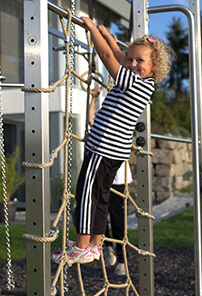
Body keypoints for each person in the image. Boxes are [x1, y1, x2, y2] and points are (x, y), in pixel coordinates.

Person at [52, 17, 174, 266]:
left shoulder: (133, 83)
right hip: (113, 151)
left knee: (87, 193)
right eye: (131, 60)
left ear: (154, 66)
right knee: (101, 195)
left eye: (140, 60)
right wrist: (107, 35)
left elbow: (109, 58)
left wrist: (91, 30)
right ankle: (95, 245)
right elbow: (118, 54)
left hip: (103, 148)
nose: (132, 63)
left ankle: (81, 246)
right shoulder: (142, 83)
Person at [89, 87, 133, 276]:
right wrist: (93, 100)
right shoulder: (101, 134)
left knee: (118, 223)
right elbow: (91, 121)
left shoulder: (123, 130)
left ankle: (122, 260)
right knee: (99, 219)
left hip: (119, 183)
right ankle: (107, 247)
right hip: (103, 181)